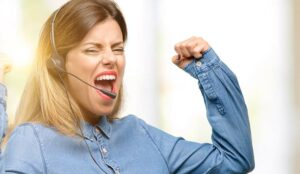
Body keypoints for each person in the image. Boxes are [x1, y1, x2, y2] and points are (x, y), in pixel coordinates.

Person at [0, 0, 255, 173]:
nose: (111, 58)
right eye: (92, 49)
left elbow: (234, 160)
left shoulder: (141, 134)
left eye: (118, 48)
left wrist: (208, 68)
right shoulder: (31, 141)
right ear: (58, 65)